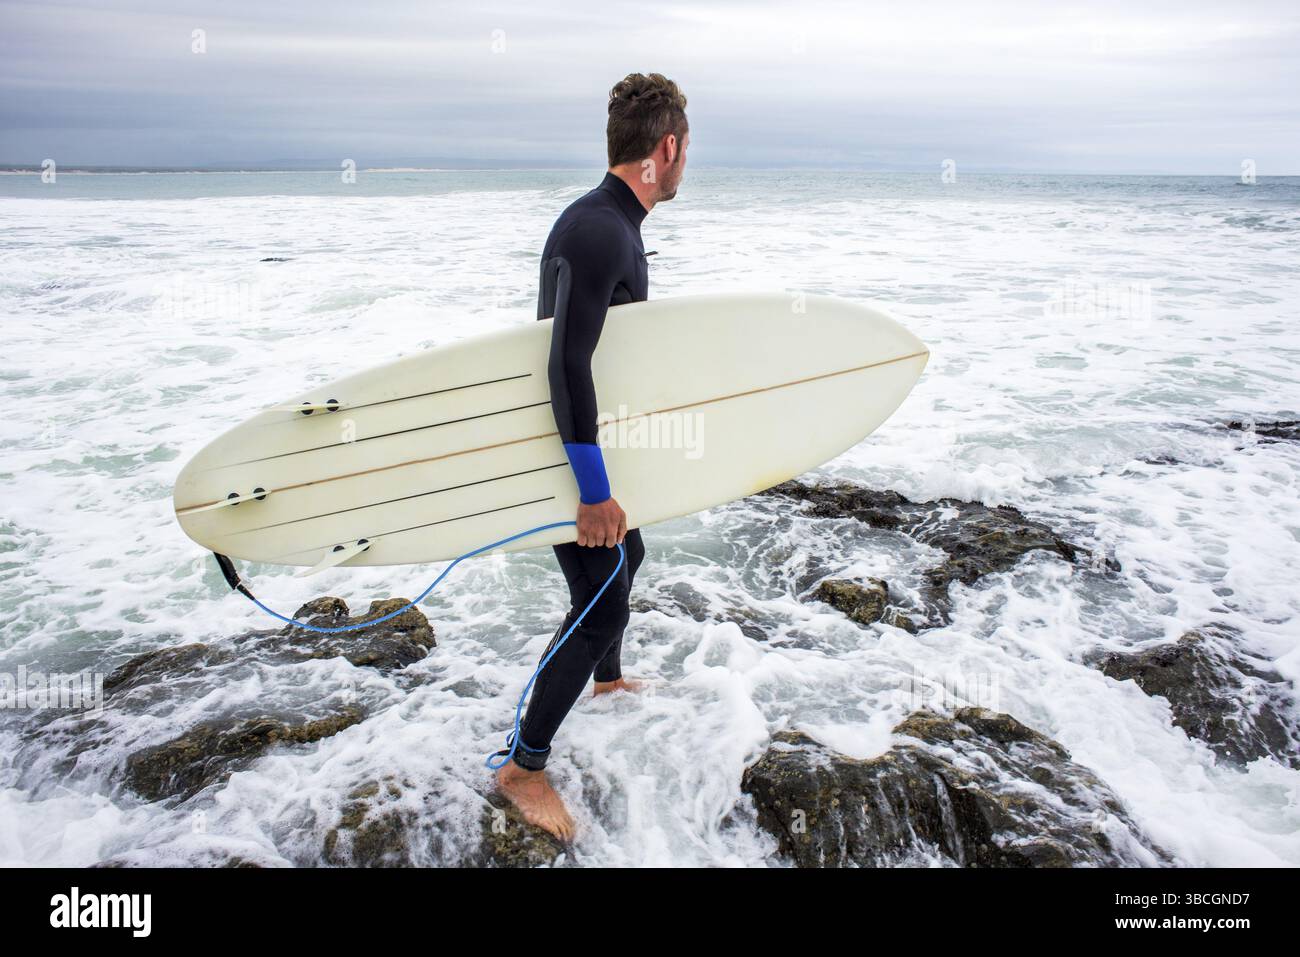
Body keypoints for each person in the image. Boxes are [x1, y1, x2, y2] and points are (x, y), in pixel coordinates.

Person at [495, 72, 689, 840]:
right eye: (684, 151)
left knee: (624, 555)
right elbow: (564, 365)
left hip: (572, 439)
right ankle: (523, 766)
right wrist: (591, 487)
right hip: (562, 448)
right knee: (604, 597)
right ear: (666, 148)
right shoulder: (600, 229)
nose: (684, 166)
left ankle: (605, 682)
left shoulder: (610, 222)